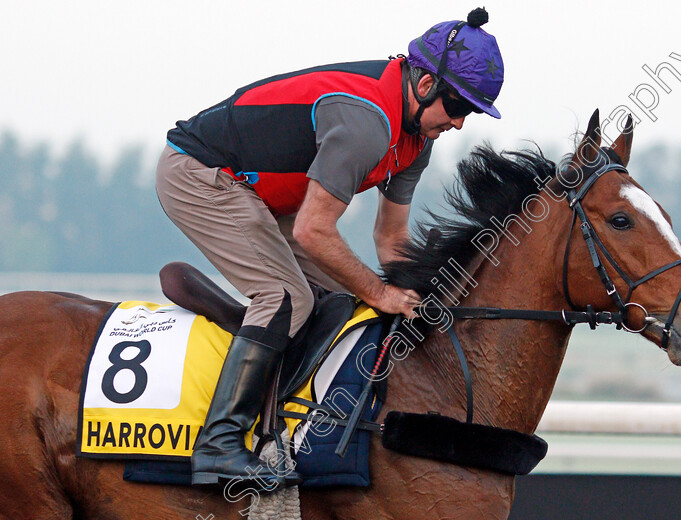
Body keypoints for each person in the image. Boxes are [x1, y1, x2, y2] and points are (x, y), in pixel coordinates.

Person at [155, 7, 504, 489]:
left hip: (260, 197)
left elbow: (391, 239)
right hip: (200, 174)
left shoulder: (415, 139)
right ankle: (219, 445)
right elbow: (313, 231)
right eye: (458, 106)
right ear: (424, 85)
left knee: (342, 301)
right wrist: (382, 295)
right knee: (286, 299)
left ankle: (268, 378)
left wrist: (424, 297)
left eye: (472, 112)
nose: (461, 123)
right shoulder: (368, 124)